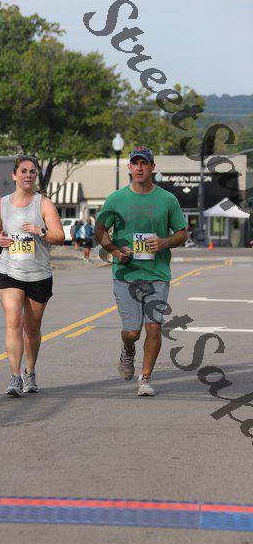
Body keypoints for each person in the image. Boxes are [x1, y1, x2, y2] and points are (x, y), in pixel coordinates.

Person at [95, 146, 187, 396]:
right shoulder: (117, 199)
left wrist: (164, 242)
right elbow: (99, 230)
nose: (139, 168)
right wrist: (115, 251)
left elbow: (182, 234)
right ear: (129, 167)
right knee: (132, 332)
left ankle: (145, 378)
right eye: (135, 163)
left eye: (144, 163)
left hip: (157, 274)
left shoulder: (167, 199)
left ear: (152, 167)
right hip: (126, 274)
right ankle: (128, 350)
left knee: (154, 327)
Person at [0, 155, 65, 396]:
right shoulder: (1, 204)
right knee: (14, 321)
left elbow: (59, 236)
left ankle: (30, 371)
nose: (28, 175)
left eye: (32, 171)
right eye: (23, 171)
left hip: (38, 274)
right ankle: (14, 377)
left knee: (32, 328)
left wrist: (40, 231)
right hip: (9, 270)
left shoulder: (44, 204)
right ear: (14, 175)